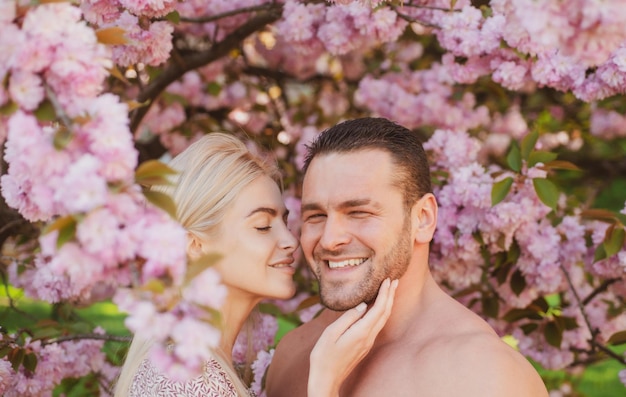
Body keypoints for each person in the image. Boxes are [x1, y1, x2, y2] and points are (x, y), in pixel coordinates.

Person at [266, 118, 549, 397]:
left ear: (423, 219)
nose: (329, 239)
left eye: (359, 213)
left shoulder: (482, 374)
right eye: (316, 216)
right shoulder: (295, 352)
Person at [114, 133, 398, 397]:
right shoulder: (193, 382)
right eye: (263, 226)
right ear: (195, 245)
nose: (289, 240)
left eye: (284, 222)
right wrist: (325, 380)